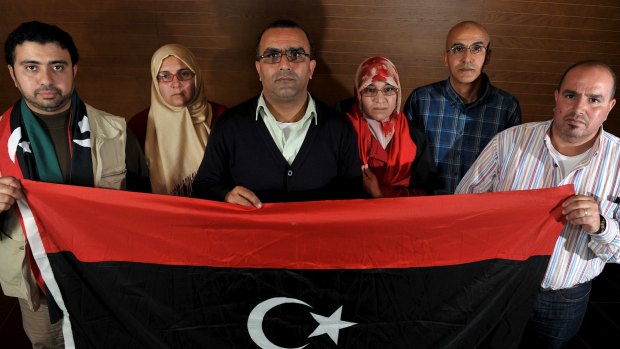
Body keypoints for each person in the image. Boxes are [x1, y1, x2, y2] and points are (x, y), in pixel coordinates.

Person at [0, 21, 149, 348]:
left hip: (109, 276)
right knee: (48, 344)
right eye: (31, 67)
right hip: (39, 284)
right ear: (13, 73)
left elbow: (145, 207)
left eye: (57, 66)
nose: (46, 80)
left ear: (74, 69)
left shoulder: (117, 131)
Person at [455, 60, 619, 348]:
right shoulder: (508, 142)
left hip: (563, 298)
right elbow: (463, 207)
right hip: (497, 285)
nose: (579, 108)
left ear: (610, 107)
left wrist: (601, 225)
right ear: (556, 97)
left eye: (594, 99)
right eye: (571, 95)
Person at [192, 19, 362, 206]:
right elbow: (202, 188)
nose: (284, 65)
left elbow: (353, 198)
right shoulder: (228, 125)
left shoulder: (339, 127)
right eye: (272, 55)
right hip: (252, 235)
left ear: (311, 68)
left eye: (296, 54)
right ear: (258, 69)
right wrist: (225, 195)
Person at [403, 20, 521, 195]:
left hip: (479, 212)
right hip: (427, 207)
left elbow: (510, 170)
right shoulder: (421, 100)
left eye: (476, 48)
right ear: (445, 58)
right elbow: (404, 161)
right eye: (458, 49)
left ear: (487, 56)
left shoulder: (506, 107)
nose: (467, 58)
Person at [128, 44, 226, 196]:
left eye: (184, 74)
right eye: (165, 76)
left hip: (214, 210)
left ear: (196, 77)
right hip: (160, 212)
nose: (176, 84)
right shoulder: (139, 125)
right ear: (156, 82)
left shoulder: (223, 117)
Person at [343, 56, 435, 197]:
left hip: (399, 217)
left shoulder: (414, 137)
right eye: (370, 90)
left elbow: (425, 193)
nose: (380, 99)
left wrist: (380, 193)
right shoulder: (341, 131)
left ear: (398, 94)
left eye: (388, 89)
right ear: (358, 93)